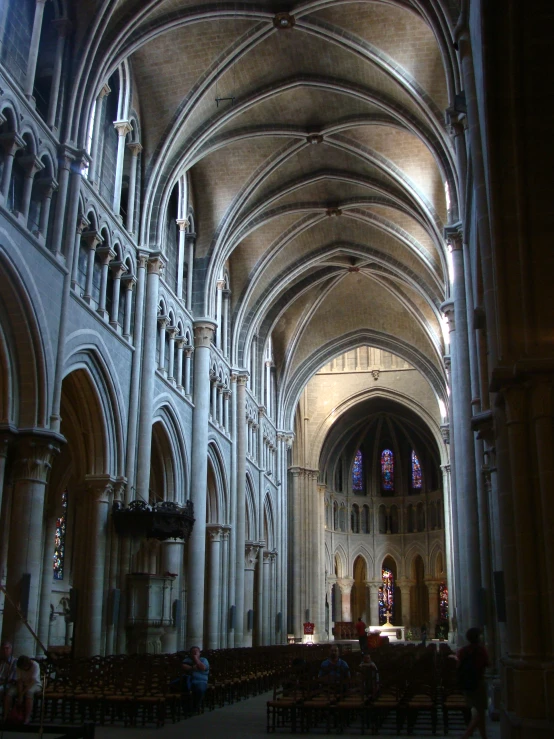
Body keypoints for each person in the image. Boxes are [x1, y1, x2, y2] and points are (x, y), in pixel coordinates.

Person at [456, 627, 489, 739]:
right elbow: (486, 664)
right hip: (478, 683)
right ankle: (466, 735)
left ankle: (484, 736)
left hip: (466, 683)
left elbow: (458, 666)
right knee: (479, 712)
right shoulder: (481, 650)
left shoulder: (463, 651)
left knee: (478, 711)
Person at [4, 655, 42, 724]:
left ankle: (27, 718)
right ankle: (6, 716)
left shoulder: (35, 665)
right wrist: (20, 694)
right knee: (9, 692)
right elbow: (19, 681)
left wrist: (22, 694)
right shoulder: (19, 667)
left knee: (29, 693)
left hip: (34, 684)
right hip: (23, 684)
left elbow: (33, 681)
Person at [181, 646, 209, 712]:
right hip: (188, 679)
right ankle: (186, 708)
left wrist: (196, 659)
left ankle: (195, 707)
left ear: (200, 653)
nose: (195, 653)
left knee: (200, 689)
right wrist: (194, 667)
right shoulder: (187, 660)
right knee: (181, 689)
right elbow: (184, 666)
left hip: (200, 680)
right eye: (193, 652)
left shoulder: (204, 660)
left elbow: (202, 668)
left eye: (197, 652)